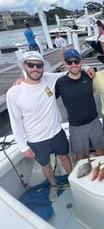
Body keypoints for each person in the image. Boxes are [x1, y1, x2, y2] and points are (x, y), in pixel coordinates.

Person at [6, 51, 73, 202]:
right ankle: (53, 185)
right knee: (45, 164)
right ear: (25, 66)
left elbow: (72, 69)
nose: (35, 68)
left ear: (43, 67)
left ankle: (72, 179)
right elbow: (15, 121)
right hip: (36, 139)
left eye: (39, 65)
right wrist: (23, 146)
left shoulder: (49, 79)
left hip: (57, 132)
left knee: (64, 156)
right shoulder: (13, 92)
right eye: (31, 65)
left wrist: (86, 68)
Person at [55, 49, 104, 161]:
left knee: (101, 150)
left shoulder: (89, 76)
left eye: (76, 61)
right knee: (80, 156)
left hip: (94, 122)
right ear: (64, 64)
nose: (73, 64)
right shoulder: (60, 83)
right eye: (69, 62)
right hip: (76, 126)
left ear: (81, 62)